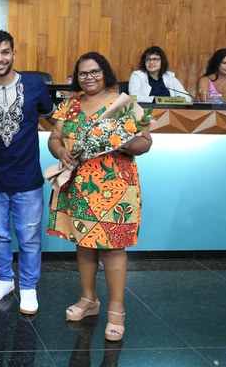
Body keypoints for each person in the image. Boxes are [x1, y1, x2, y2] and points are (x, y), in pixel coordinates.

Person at [47, 52, 152, 342]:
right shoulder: (70, 105)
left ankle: (116, 311)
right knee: (83, 243)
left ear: (105, 72)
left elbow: (146, 142)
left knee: (113, 248)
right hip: (79, 186)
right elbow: (54, 138)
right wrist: (61, 151)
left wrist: (123, 142)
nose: (89, 77)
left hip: (115, 189)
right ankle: (88, 300)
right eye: (83, 73)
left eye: (94, 71)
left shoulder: (123, 104)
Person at [0, 31, 55, 316]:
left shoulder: (34, 85)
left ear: (13, 54)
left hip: (27, 179)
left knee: (29, 237)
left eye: (5, 52)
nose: (0, 58)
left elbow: (55, 119)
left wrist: (64, 146)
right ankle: (5, 279)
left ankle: (29, 286)